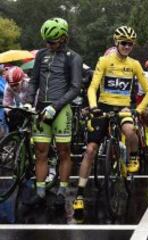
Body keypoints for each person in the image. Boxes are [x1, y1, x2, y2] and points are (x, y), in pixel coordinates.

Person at [72, 26, 148, 219]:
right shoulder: (105, 61)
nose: (127, 46)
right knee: (91, 150)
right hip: (103, 107)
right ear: (116, 43)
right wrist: (93, 107)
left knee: (130, 130)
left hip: (124, 108)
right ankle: (80, 195)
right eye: (123, 43)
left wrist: (138, 110)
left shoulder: (134, 64)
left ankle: (133, 156)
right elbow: (92, 88)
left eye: (130, 44)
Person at [23, 17, 82, 208]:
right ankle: (40, 191)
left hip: (61, 109)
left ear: (63, 38)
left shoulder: (74, 57)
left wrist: (55, 107)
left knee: (64, 152)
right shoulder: (41, 55)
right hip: (41, 108)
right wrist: (27, 102)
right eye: (46, 41)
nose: (49, 45)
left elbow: (74, 88)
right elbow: (33, 82)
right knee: (41, 152)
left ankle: (62, 192)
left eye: (53, 41)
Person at [3, 66, 30, 131]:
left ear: (22, 80)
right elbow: (7, 104)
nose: (14, 87)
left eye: (16, 85)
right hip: (21, 105)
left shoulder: (29, 83)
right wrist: (10, 112)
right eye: (12, 85)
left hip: (31, 104)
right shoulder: (8, 87)